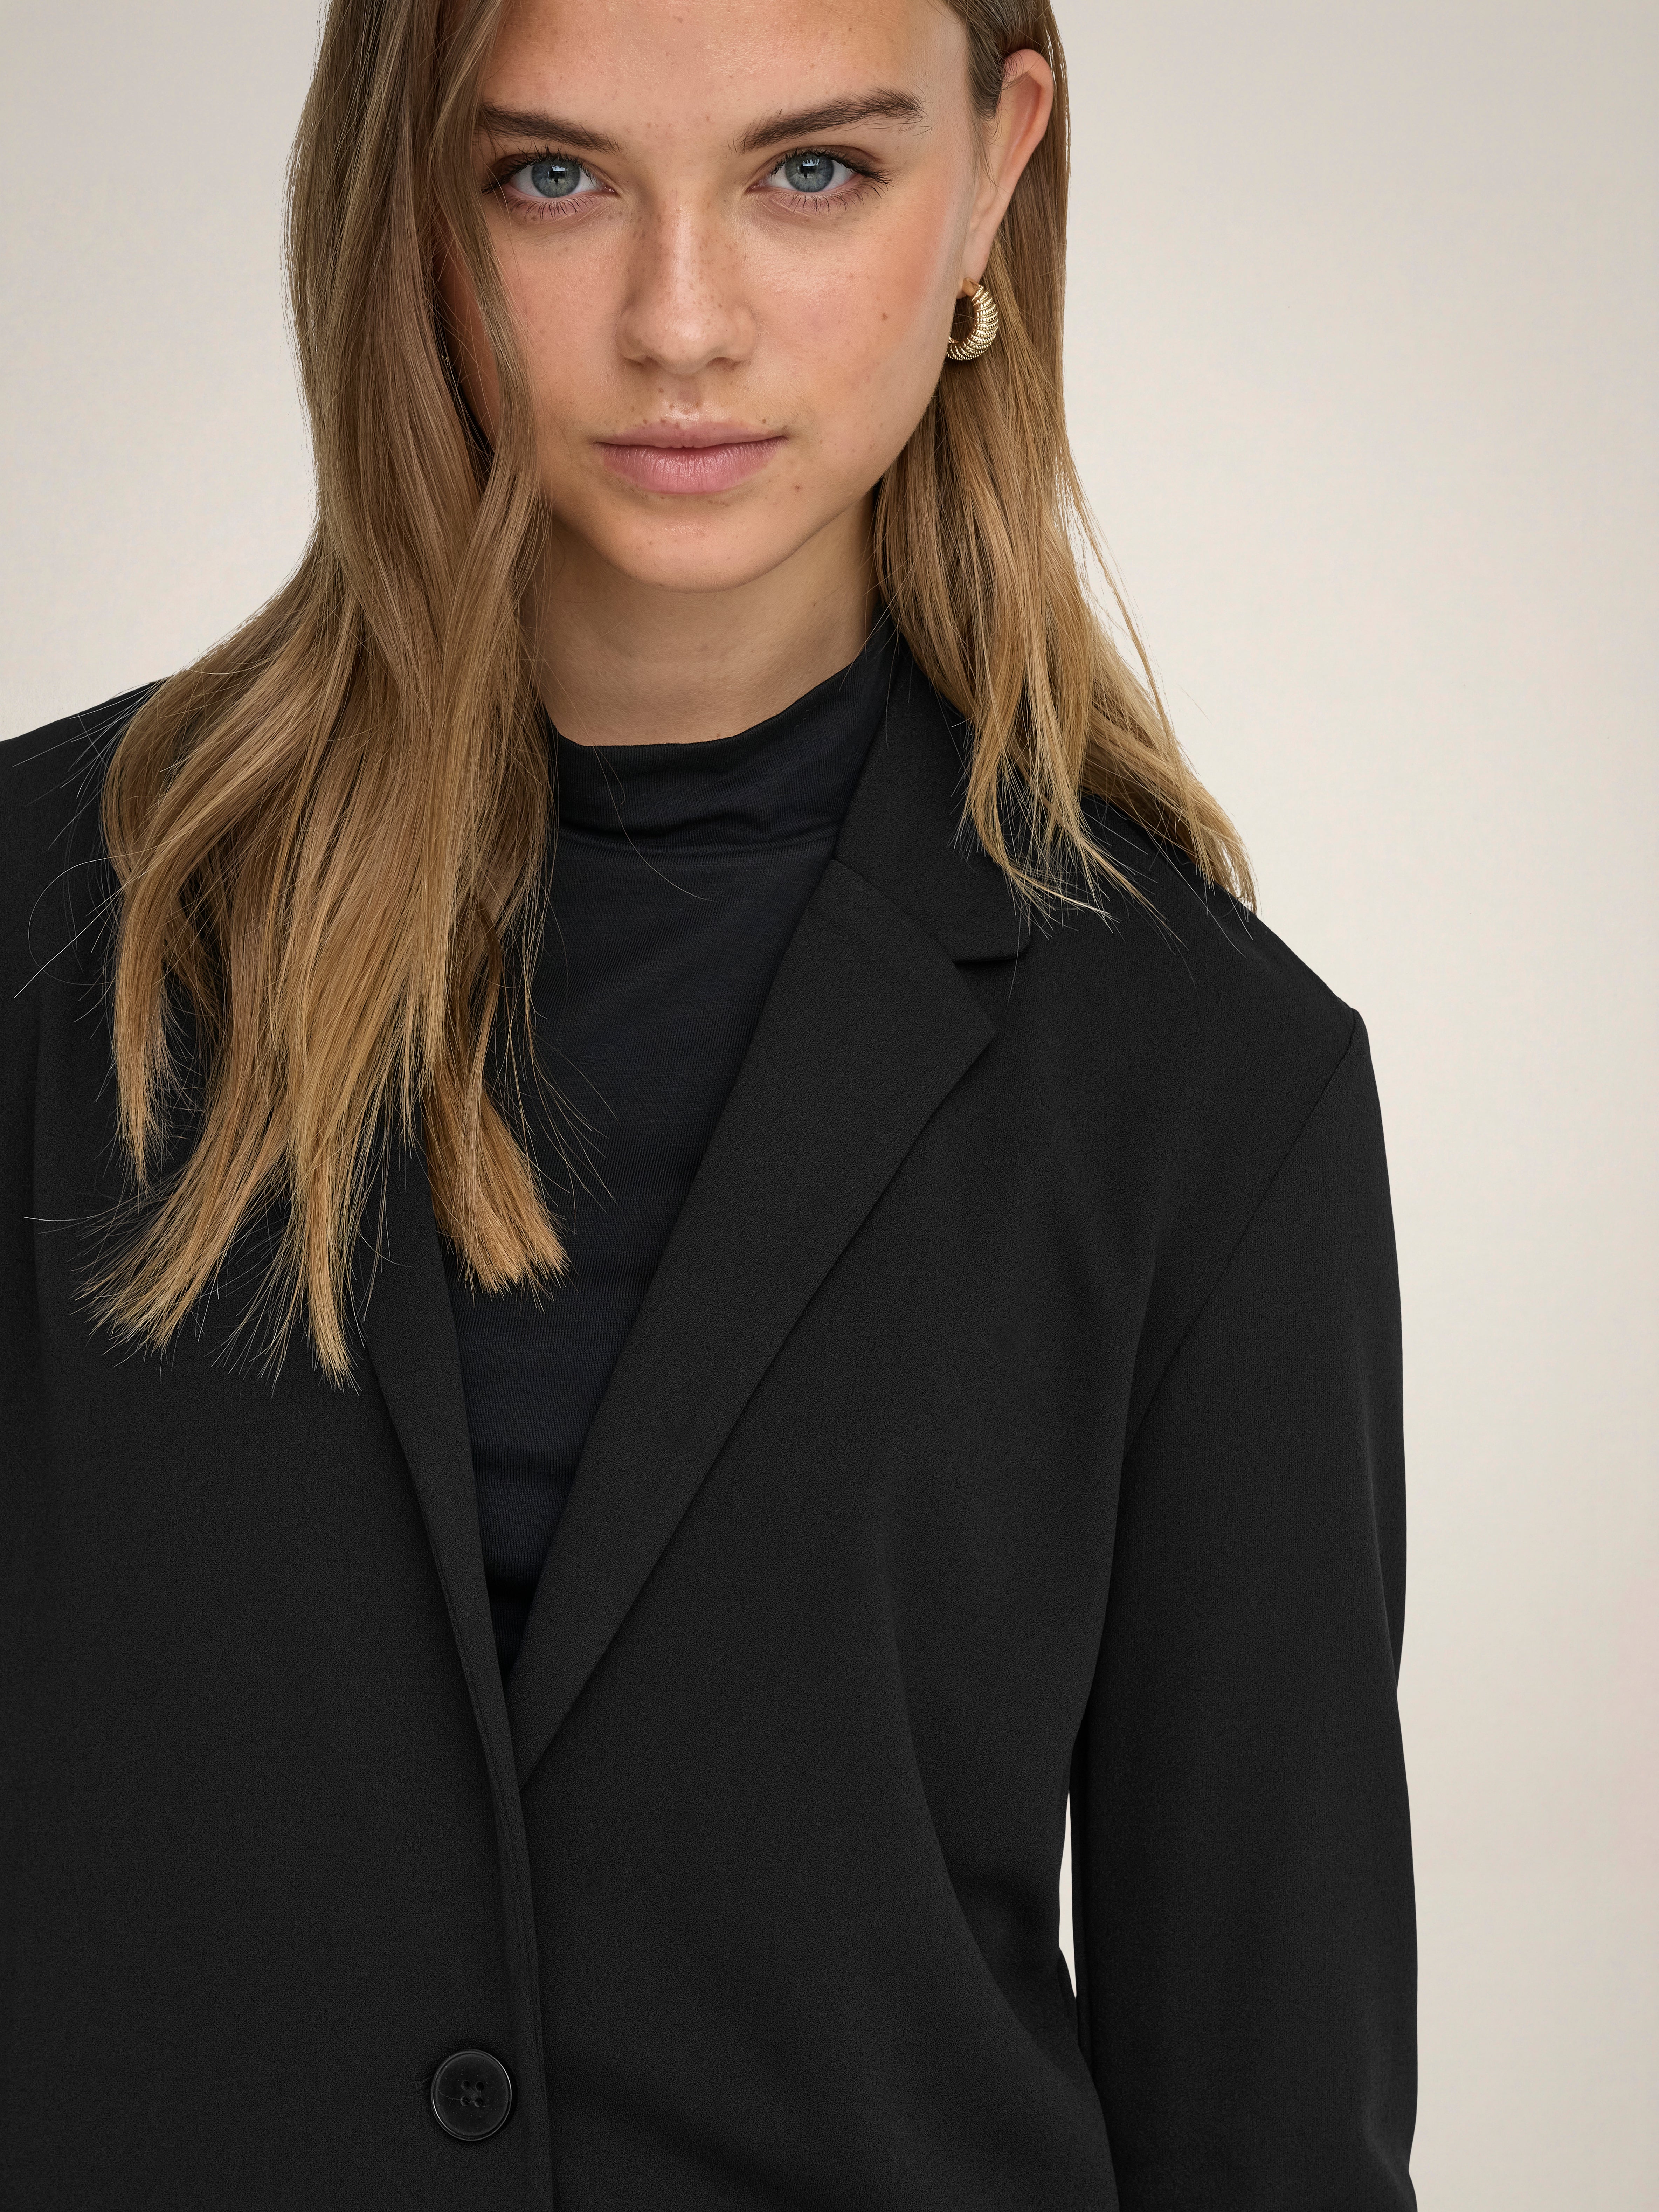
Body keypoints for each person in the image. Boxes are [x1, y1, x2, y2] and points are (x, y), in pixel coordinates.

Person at [0, 0, 1416, 2204]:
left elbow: (1265, 2110)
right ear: (400, 199)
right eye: (550, 177)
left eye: (810, 172)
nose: (680, 323)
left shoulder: (1205, 1080)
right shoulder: (42, 932)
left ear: (992, 170)